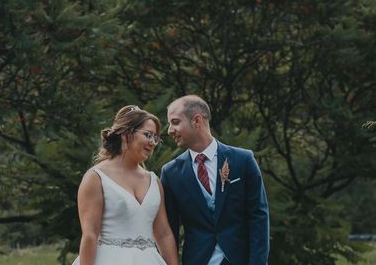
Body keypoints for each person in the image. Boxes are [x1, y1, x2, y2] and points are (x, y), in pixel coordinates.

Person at [161, 95, 269, 265]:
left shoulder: (243, 160)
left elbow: (258, 218)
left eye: (175, 122)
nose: (169, 130)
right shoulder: (171, 173)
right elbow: (170, 231)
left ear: (196, 120)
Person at [72, 105, 179, 265]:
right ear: (126, 134)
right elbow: (90, 235)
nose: (152, 143)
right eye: (148, 135)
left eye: (155, 138)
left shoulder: (154, 181)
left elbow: (163, 234)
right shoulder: (96, 177)